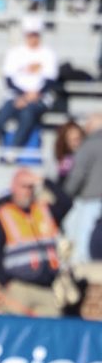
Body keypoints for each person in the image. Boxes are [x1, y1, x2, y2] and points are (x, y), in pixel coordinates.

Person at [0, 168, 68, 317]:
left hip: (46, 288)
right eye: (23, 187)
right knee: (14, 332)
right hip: (19, 287)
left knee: (50, 332)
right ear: (13, 188)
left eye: (30, 187)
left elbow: (66, 202)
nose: (27, 191)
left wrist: (43, 180)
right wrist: (6, 282)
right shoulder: (4, 215)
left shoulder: (43, 211)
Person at [0, 15, 57, 151]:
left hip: (39, 98)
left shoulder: (48, 54)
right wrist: (23, 96)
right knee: (6, 109)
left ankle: (14, 148)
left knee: (28, 113)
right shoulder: (14, 53)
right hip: (17, 96)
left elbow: (50, 81)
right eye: (30, 35)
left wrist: (29, 97)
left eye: (35, 34)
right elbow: (9, 80)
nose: (33, 38)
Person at [63, 113, 102, 264]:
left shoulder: (89, 145)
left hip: (91, 202)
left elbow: (77, 176)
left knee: (83, 249)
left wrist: (64, 196)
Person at [53, 120, 84, 189]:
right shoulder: (64, 159)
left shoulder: (86, 156)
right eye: (72, 140)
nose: (77, 144)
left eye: (78, 139)